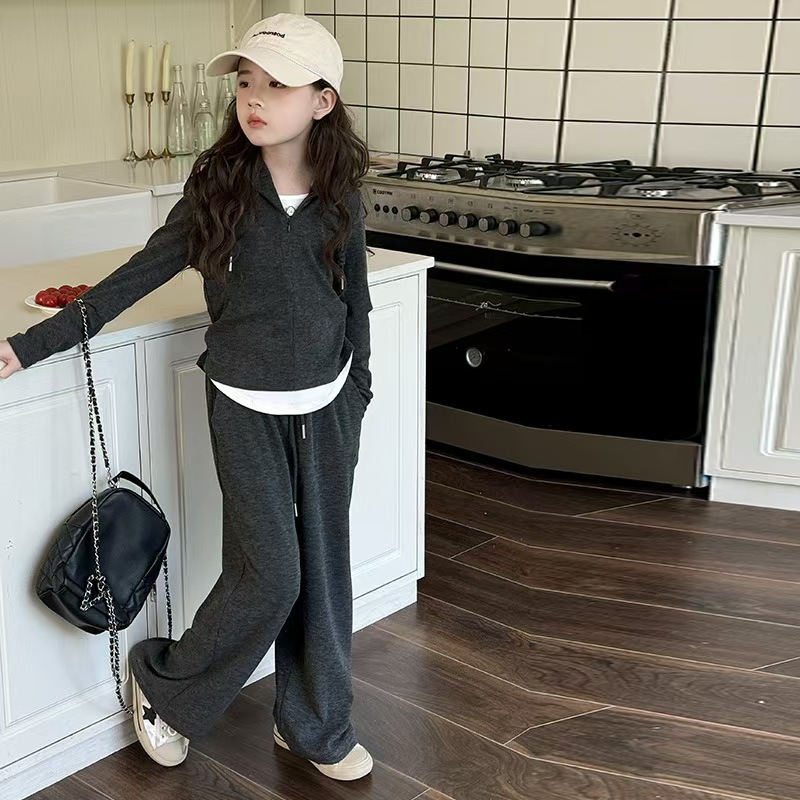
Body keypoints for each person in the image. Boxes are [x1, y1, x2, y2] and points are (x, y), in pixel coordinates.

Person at [0, 14, 375, 781]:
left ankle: (314, 727)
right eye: (246, 82)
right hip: (243, 403)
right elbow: (138, 274)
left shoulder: (341, 191)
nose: (254, 98)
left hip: (330, 404)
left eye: (277, 85)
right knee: (272, 574)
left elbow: (355, 297)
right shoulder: (219, 188)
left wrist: (359, 386)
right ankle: (167, 686)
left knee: (325, 572)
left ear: (322, 101)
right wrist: (29, 345)